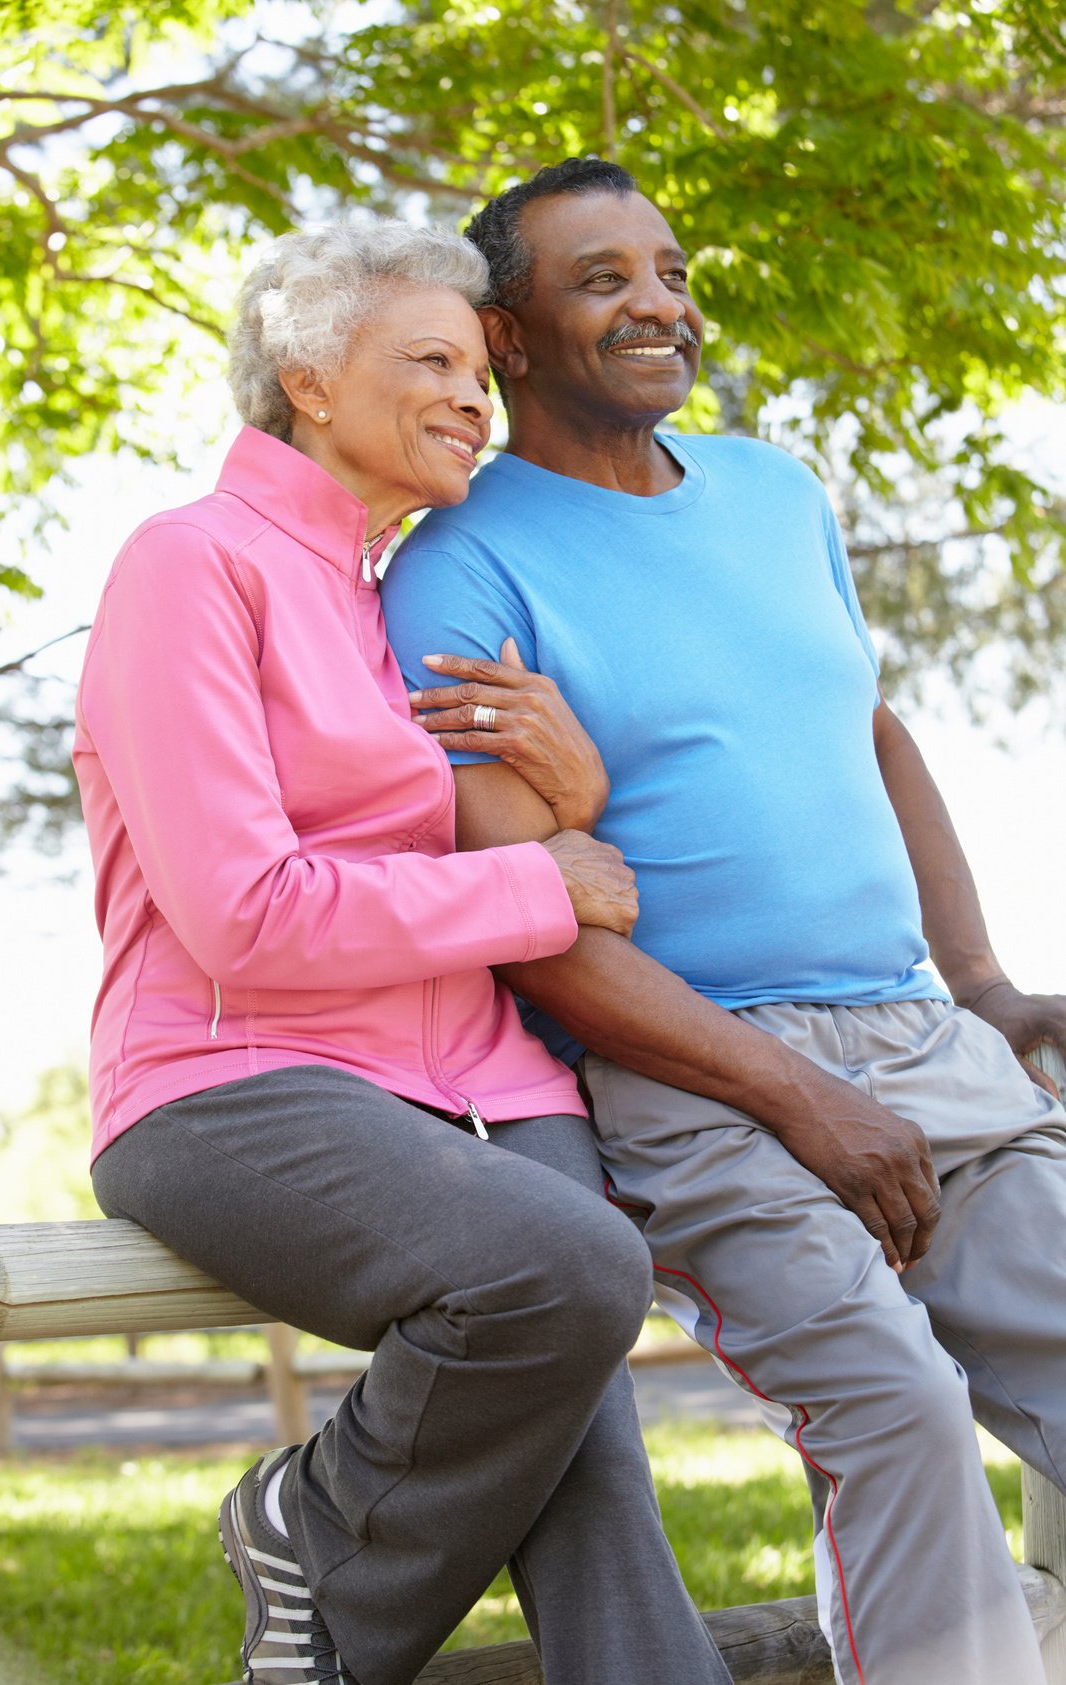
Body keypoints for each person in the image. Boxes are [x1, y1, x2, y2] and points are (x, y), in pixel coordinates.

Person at [380, 157, 1066, 1685]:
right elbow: (535, 924)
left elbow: (870, 734)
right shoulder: (456, 570)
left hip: (916, 1032)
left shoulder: (774, 491)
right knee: (889, 1399)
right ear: (505, 332)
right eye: (603, 278)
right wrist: (799, 1097)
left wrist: (986, 984)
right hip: (695, 1076)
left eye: (671, 269)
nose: (659, 305)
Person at [73, 222, 733, 1685]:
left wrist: (574, 794)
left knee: (598, 1490)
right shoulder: (191, 566)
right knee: (571, 1265)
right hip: (231, 1083)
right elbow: (244, 908)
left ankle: (326, 1621)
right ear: (307, 376)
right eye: (429, 360)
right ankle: (310, 1521)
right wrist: (539, 885)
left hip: (485, 1089)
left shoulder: (395, 600)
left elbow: (505, 838)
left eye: (475, 372)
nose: (470, 398)